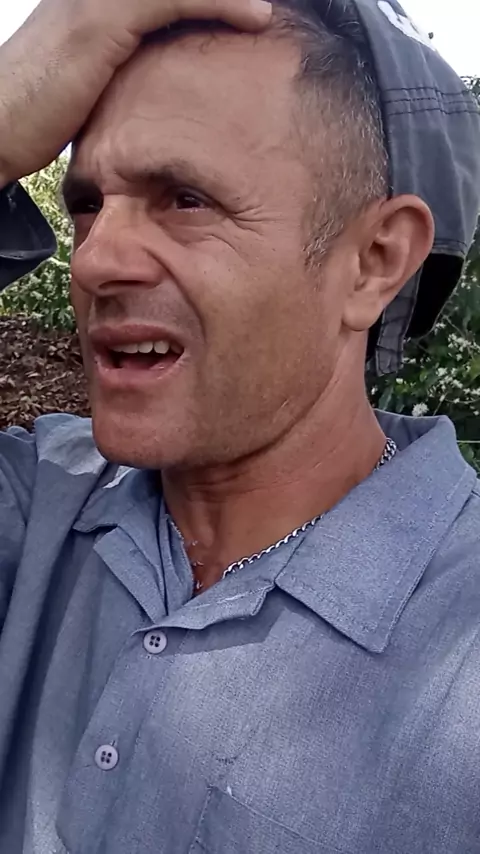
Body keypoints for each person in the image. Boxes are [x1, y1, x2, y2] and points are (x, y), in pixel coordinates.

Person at [1, 0, 480, 851]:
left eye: (185, 199)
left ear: (372, 262)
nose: (95, 258)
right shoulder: (35, 506)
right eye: (88, 204)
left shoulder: (459, 659)